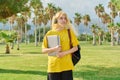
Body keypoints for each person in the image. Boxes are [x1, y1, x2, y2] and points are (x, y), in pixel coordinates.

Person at [42, 11, 79, 80]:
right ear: (57, 20)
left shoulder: (69, 32)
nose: (63, 20)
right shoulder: (50, 33)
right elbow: (43, 50)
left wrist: (63, 53)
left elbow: (75, 48)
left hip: (66, 66)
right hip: (53, 66)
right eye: (61, 18)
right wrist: (54, 49)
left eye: (65, 18)